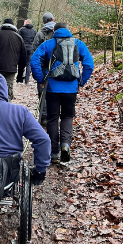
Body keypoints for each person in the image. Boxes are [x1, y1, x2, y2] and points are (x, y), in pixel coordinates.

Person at [30, 21, 94, 164]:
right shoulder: (78, 43)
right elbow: (89, 63)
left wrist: (40, 79)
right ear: (68, 30)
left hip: (52, 88)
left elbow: (34, 61)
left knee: (52, 119)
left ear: (54, 31)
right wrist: (82, 81)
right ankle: (65, 144)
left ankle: (54, 153)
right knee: (67, 117)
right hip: (71, 89)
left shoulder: (47, 44)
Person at [0, 18, 26, 100]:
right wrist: (20, 75)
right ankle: (7, 108)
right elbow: (23, 58)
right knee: (8, 89)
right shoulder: (18, 38)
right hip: (11, 69)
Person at [32, 12, 57, 125]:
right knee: (55, 92)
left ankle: (44, 117)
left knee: (43, 93)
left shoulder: (40, 34)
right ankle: (54, 116)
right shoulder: (59, 33)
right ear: (53, 19)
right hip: (58, 68)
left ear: (43, 22)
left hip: (43, 69)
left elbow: (35, 54)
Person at [19, 19, 37, 84]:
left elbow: (19, 39)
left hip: (23, 48)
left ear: (26, 23)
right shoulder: (34, 31)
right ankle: (27, 80)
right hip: (31, 48)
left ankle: (20, 78)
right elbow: (35, 40)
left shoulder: (21, 30)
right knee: (28, 64)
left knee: (22, 63)